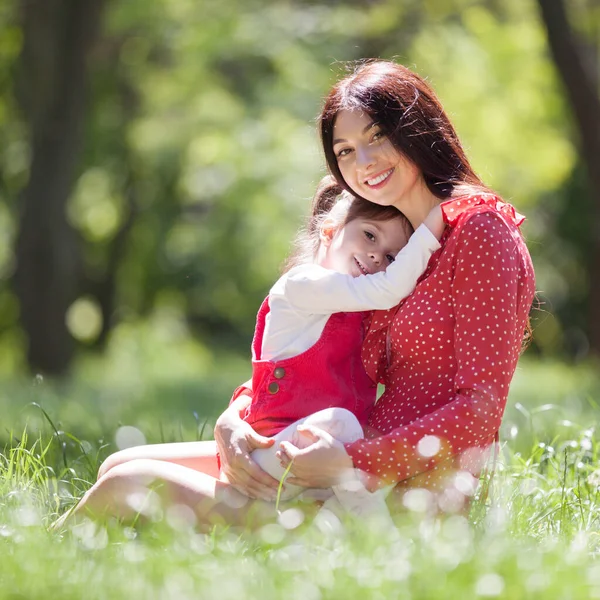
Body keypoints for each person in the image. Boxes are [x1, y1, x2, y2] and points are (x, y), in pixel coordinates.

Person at [217, 60, 536, 515]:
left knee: (128, 482)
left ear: (417, 130)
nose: (362, 162)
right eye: (344, 150)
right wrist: (234, 417)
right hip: (337, 457)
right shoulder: (388, 243)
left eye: (376, 136)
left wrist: (352, 462)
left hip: (409, 489)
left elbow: (482, 407)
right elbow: (314, 352)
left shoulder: (478, 229)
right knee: (120, 465)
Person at [54, 175, 444, 529]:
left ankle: (337, 523)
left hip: (291, 456)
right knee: (116, 466)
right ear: (330, 231)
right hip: (275, 451)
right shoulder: (304, 285)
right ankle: (363, 527)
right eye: (370, 236)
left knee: (122, 474)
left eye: (393, 256)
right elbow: (388, 287)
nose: (379, 257)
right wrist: (434, 222)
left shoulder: (357, 311)